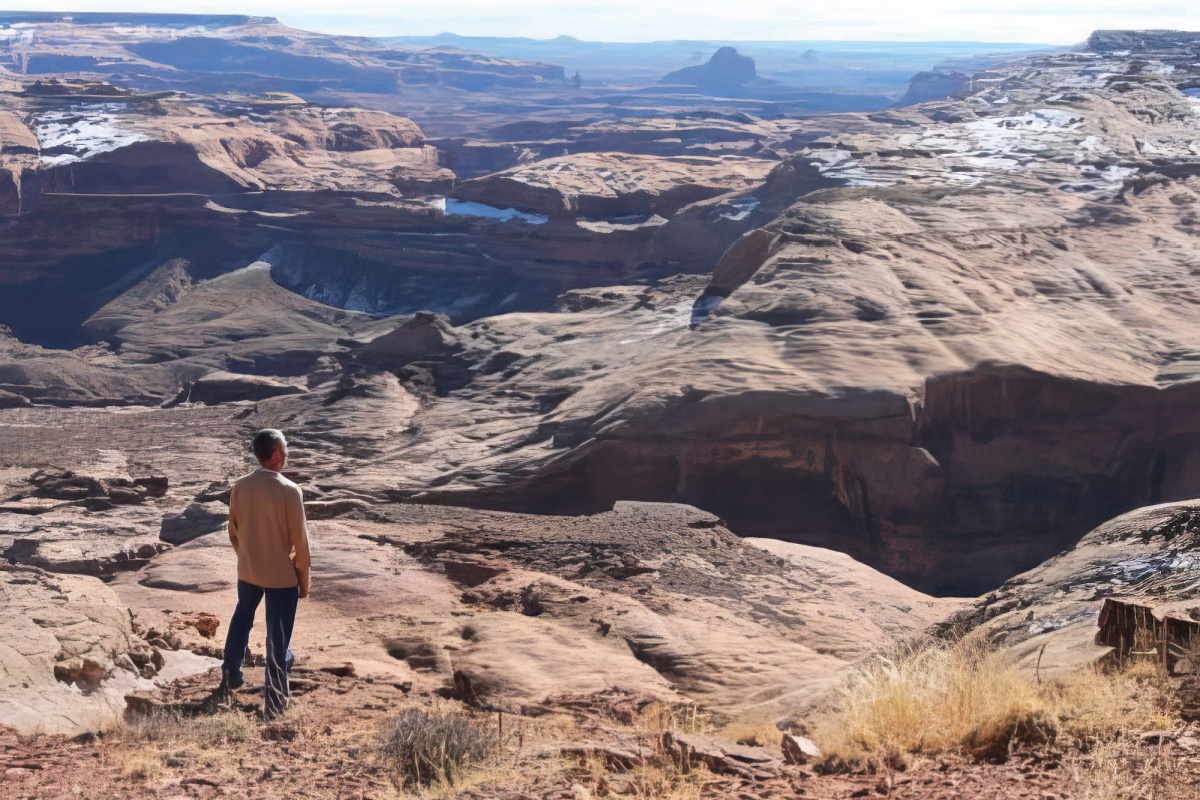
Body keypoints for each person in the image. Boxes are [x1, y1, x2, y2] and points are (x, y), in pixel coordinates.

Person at [218, 428, 311, 718]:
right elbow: (300, 544)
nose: (287, 454)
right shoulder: (289, 491)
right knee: (277, 636)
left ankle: (231, 674)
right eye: (285, 450)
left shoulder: (240, 487)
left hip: (248, 571)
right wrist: (303, 581)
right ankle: (275, 700)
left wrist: (247, 557)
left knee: (242, 618)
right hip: (281, 577)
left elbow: (233, 531)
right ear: (275, 455)